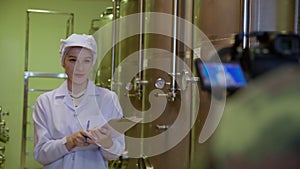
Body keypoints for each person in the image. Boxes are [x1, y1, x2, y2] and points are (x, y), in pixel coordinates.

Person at [33, 34, 125, 169]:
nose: (79, 68)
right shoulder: (45, 102)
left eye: (86, 61)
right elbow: (40, 154)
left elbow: (116, 152)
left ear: (92, 63)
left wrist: (106, 142)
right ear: (63, 62)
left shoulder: (108, 99)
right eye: (73, 60)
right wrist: (70, 141)